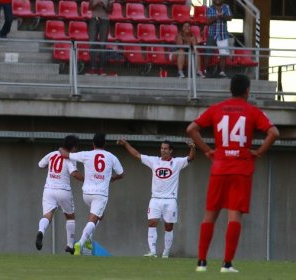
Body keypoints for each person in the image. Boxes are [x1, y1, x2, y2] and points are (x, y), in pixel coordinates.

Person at [186, 74, 279, 273]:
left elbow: (192, 129)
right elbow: (274, 133)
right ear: (247, 90)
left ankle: (201, 263)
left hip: (220, 166)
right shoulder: (252, 111)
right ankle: (226, 264)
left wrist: (207, 150)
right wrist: (259, 152)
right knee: (234, 215)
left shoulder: (216, 109)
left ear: (230, 89)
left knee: (210, 214)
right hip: (241, 168)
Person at [117, 139, 196, 258]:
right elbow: (137, 155)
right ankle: (152, 251)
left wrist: (193, 148)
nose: (163, 151)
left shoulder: (177, 162)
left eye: (165, 149)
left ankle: (166, 253)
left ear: (170, 151)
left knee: (168, 226)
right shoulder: (154, 161)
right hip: (155, 199)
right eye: (161, 148)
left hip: (170, 200)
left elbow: (191, 158)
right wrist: (126, 144)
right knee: (152, 223)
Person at [59, 133, 124, 255]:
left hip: (87, 194)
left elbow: (65, 154)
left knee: (100, 215)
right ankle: (81, 243)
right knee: (92, 219)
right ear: (104, 144)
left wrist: (60, 149)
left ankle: (88, 239)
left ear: (93, 144)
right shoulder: (111, 157)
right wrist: (113, 178)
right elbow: (121, 173)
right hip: (100, 194)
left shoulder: (86, 154)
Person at [35, 135, 84, 254]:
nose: (76, 150)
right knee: (70, 217)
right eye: (76, 147)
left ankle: (41, 231)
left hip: (49, 189)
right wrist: (87, 180)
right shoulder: (70, 158)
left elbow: (40, 165)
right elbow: (74, 173)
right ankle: (70, 245)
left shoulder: (52, 154)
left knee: (47, 215)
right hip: (63, 190)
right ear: (72, 147)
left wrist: (50, 166)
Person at [204, 0, 232, 78]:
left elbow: (230, 18)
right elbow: (207, 22)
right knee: (208, 54)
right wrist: (216, 17)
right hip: (212, 34)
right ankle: (205, 71)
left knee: (223, 55)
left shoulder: (226, 7)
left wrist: (223, 16)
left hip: (223, 35)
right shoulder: (209, 8)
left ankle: (222, 72)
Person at [86, 0, 115, 76]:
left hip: (105, 20)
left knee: (102, 45)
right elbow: (89, 7)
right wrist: (96, 5)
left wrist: (103, 6)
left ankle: (101, 69)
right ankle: (92, 68)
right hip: (94, 19)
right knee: (92, 44)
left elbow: (110, 11)